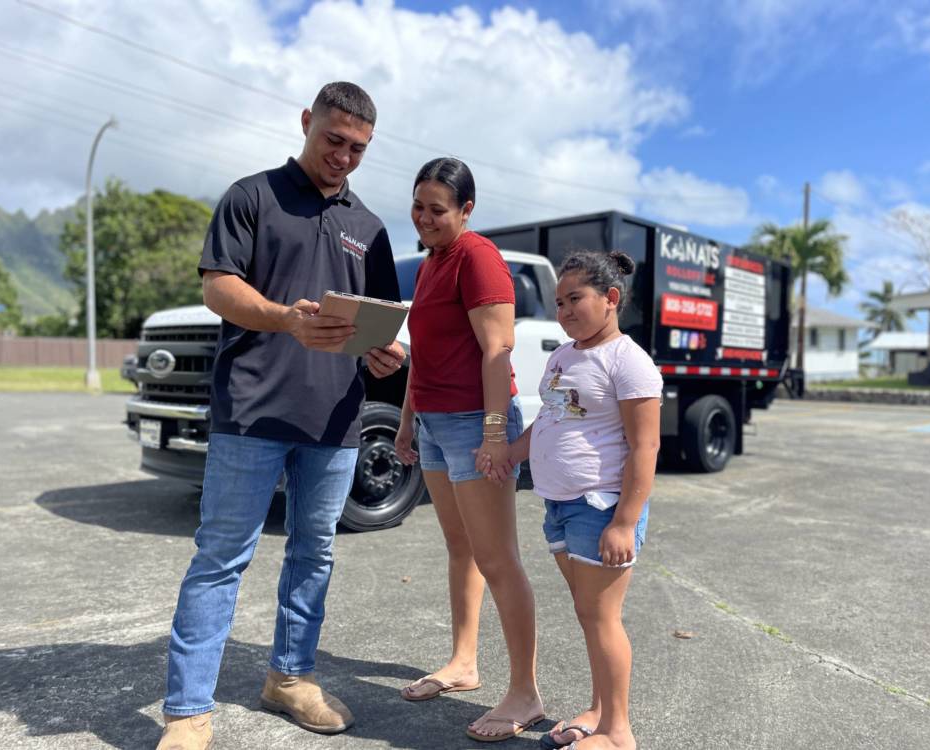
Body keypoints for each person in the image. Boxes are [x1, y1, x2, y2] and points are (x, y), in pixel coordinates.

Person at [156, 82, 406, 750]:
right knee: (220, 558)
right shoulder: (252, 197)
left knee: (313, 553)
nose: (344, 157)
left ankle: (289, 679)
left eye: (357, 148)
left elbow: (381, 318)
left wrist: (388, 353)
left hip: (336, 420)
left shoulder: (370, 228)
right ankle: (187, 713)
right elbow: (218, 285)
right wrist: (281, 319)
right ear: (306, 122)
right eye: (334, 140)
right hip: (253, 409)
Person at [482, 251, 661, 750]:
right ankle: (600, 710)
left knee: (602, 616)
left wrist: (625, 521)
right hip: (559, 504)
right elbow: (552, 420)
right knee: (587, 612)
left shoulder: (628, 361)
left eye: (575, 299)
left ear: (611, 299)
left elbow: (646, 446)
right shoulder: (564, 356)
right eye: (558, 301)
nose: (563, 310)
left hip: (601, 506)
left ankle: (618, 732)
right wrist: (512, 453)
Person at [393, 157, 544, 742]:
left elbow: (498, 350)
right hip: (433, 424)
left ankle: (525, 692)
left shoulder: (477, 257)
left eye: (438, 210)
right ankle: (464, 663)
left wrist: (490, 436)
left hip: (473, 425)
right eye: (418, 206)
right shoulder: (431, 265)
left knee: (498, 557)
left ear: (466, 211)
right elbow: (424, 354)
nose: (424, 219)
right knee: (461, 548)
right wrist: (408, 422)